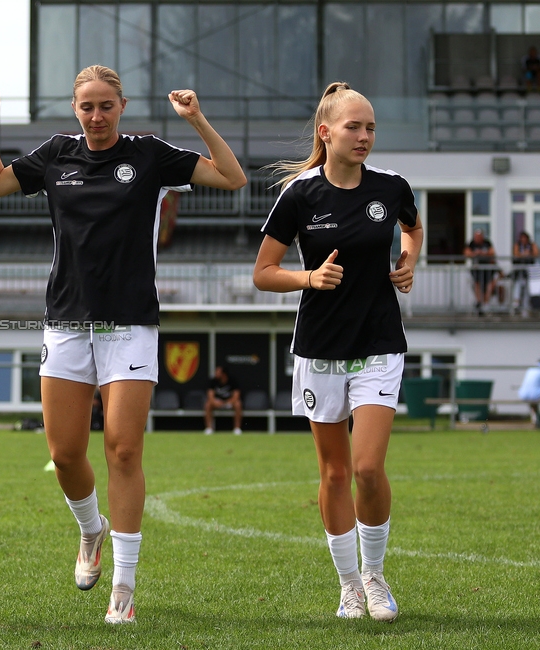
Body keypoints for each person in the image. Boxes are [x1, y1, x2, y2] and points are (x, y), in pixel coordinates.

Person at [0, 65, 246, 624]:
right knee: (65, 453)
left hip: (130, 325)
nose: (96, 117)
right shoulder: (55, 155)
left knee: (123, 448)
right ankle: (90, 528)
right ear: (75, 109)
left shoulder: (148, 154)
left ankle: (124, 584)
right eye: (86, 107)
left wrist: (195, 120)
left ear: (122, 106)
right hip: (66, 324)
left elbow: (233, 176)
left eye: (106, 106)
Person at [253, 81, 423, 622]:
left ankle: (374, 576)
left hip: (378, 342)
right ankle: (348, 583)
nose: (365, 136)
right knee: (333, 474)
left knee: (368, 469)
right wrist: (309, 277)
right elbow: (262, 274)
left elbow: (414, 229)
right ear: (326, 132)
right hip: (320, 348)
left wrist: (409, 258)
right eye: (354, 126)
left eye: (371, 127)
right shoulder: (300, 194)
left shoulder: (392, 186)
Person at [464, 228, 499, 314]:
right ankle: (479, 301)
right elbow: (466, 253)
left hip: (487, 269)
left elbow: (492, 253)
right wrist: (475, 254)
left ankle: (486, 303)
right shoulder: (472, 243)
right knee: (476, 283)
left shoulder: (487, 243)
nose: (477, 238)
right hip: (476, 268)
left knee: (489, 284)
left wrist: (482, 253)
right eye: (476, 237)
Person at [203, 365, 243, 435]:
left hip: (230, 402)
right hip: (217, 402)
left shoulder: (232, 381)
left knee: (238, 404)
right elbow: (210, 395)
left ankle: (237, 428)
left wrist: (228, 402)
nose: (215, 373)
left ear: (224, 374)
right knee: (208, 404)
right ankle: (209, 428)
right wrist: (214, 402)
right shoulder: (213, 381)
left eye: (218, 372)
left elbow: (236, 395)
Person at [511, 231, 538, 313]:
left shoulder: (531, 245)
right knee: (518, 285)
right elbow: (516, 254)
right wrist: (524, 255)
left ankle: (526, 306)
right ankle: (516, 304)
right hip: (519, 271)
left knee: (528, 288)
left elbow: (536, 253)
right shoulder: (517, 245)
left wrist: (529, 254)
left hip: (530, 271)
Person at [518, 359, 540, 428]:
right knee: (534, 401)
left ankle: (535, 420)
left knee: (533, 404)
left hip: (523, 394)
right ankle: (536, 420)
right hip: (535, 394)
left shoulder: (530, 369)